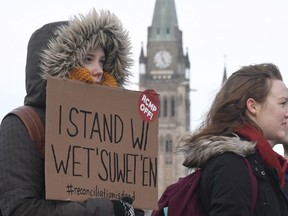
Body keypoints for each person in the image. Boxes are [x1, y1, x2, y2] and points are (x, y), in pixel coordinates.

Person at [0, 8, 144, 216]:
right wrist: (106, 209)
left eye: (102, 61)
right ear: (59, 64)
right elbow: (19, 209)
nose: (99, 70)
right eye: (88, 59)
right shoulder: (23, 125)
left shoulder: (108, 130)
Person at [178, 63, 288, 215]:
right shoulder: (232, 165)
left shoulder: (265, 166)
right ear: (253, 106)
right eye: (283, 103)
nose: (287, 112)